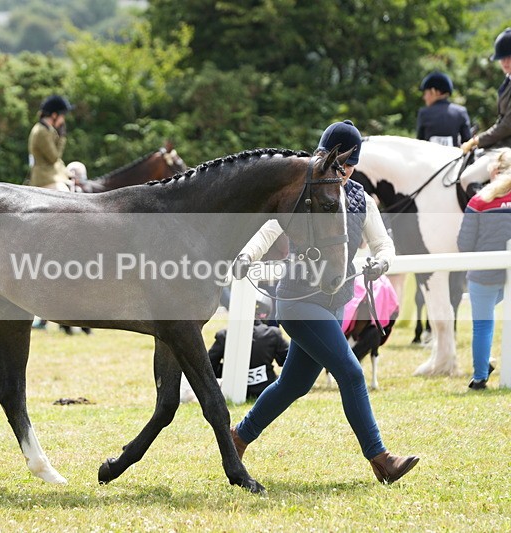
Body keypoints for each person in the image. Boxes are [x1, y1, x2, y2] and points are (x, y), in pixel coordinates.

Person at [230, 120, 420, 484]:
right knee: (351, 373)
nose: (342, 171)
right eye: (335, 162)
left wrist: (382, 261)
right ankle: (381, 459)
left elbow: (383, 243)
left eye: (348, 165)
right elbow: (270, 227)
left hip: (335, 302)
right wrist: (248, 255)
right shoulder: (304, 189)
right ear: (321, 156)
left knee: (293, 385)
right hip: (298, 299)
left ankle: (238, 437)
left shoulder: (361, 198)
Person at [457, 148, 511, 390]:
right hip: (507, 273)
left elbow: (464, 244)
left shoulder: (478, 201)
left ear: (494, 172)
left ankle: (480, 377)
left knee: (482, 325)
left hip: (483, 274)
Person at [205, 293, 288, 400]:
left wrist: (227, 372)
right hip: (264, 391)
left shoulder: (225, 335)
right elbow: (287, 361)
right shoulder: (273, 334)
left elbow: (209, 365)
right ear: (266, 312)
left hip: (231, 391)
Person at [461, 28, 511, 154]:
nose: (505, 62)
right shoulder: (507, 81)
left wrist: (478, 140)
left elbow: (507, 125)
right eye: (502, 58)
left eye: (509, 57)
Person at [28, 94, 73, 191]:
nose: (63, 120)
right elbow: (54, 158)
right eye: (62, 116)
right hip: (44, 179)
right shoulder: (41, 132)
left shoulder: (48, 130)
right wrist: (62, 138)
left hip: (52, 176)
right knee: (65, 193)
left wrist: (67, 173)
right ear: (54, 115)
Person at [417, 71, 472, 147]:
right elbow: (468, 143)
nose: (424, 97)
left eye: (425, 93)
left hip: (429, 158)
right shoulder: (461, 112)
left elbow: (419, 143)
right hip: (454, 158)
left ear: (434, 91)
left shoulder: (424, 113)